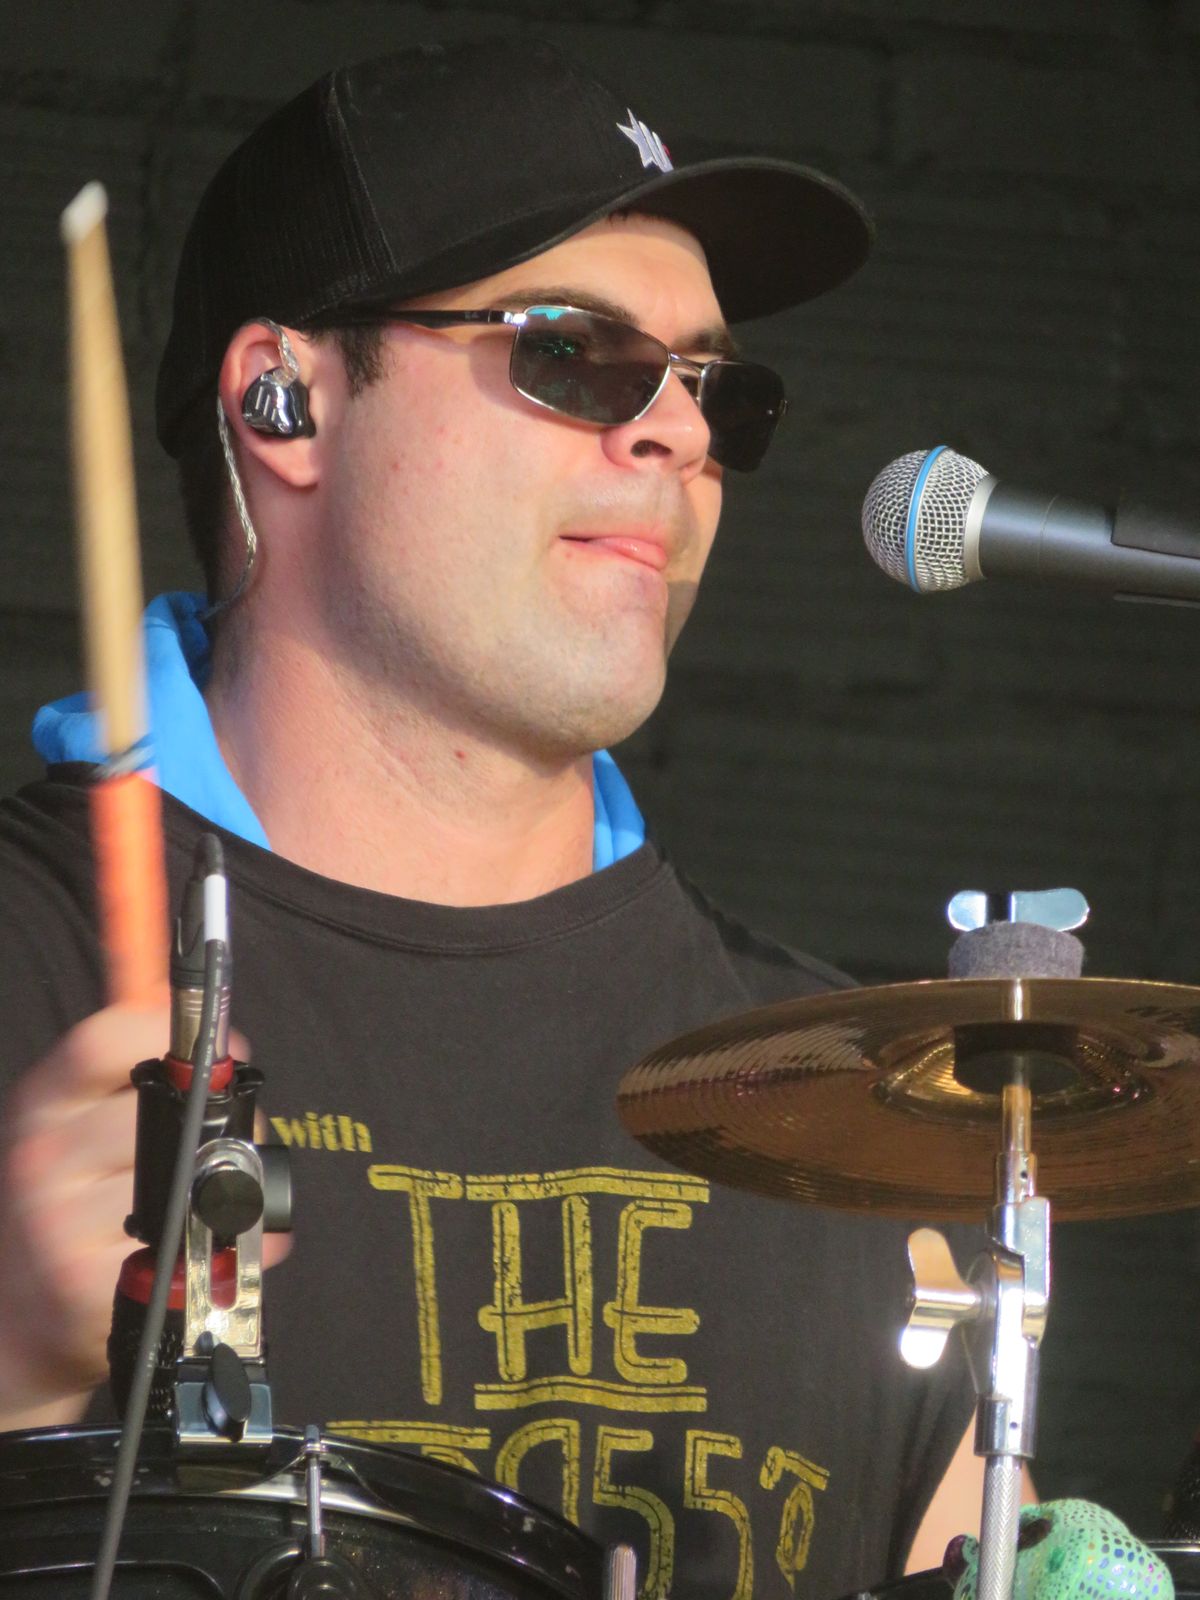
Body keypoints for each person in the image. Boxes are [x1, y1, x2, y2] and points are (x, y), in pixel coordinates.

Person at [0, 38, 983, 1599]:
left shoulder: (848, 1104)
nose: (676, 435)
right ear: (283, 402)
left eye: (716, 390)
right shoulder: (28, 969)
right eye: (576, 355)